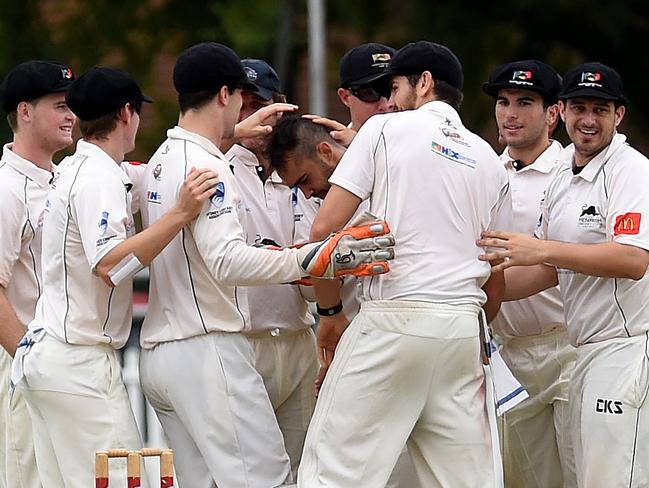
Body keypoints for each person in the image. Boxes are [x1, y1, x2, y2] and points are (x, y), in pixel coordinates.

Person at [137, 41, 394, 488]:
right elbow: (225, 261)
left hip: (166, 352)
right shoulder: (209, 166)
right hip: (208, 346)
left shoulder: (163, 159)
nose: (246, 112)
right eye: (241, 98)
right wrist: (311, 258)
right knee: (271, 480)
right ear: (224, 95)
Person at [291, 40, 511, 487]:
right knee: (464, 480)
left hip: (394, 319)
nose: (388, 102)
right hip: (462, 331)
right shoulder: (491, 160)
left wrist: (330, 314)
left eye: (394, 88)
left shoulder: (383, 130)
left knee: (334, 470)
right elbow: (497, 272)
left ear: (424, 83)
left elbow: (323, 232)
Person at [12, 66, 218, 487]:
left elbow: (159, 173)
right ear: (127, 113)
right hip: (77, 361)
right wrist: (179, 215)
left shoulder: (84, 168)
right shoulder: (96, 177)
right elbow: (110, 266)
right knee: (124, 480)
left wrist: (228, 133)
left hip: (54, 357)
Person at [478, 62, 649, 487]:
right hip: (585, 350)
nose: (588, 120)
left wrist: (542, 249)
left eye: (600, 110)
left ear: (618, 115)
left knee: (612, 478)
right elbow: (547, 271)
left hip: (626, 349)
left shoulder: (631, 170)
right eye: (579, 108)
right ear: (564, 112)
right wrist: (478, 297)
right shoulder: (564, 180)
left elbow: (633, 260)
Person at [482, 59, 577, 487]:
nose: (510, 114)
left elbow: (555, 267)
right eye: (503, 102)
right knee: (525, 478)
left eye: (525, 102)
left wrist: (486, 294)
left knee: (585, 471)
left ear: (553, 113)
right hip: (509, 350)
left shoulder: (572, 172)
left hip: (570, 346)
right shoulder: (483, 169)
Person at [225, 58, 318, 477]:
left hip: (300, 336)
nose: (252, 118)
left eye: (259, 104)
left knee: (307, 468)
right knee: (250, 473)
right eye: (242, 106)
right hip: (242, 341)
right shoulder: (217, 166)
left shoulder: (305, 171)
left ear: (281, 107)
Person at [0, 60, 75, 488]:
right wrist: (30, 361)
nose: (72, 116)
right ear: (24, 112)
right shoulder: (7, 189)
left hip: (64, 365)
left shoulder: (65, 178)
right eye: (61, 106)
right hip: (23, 363)